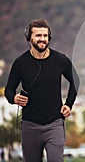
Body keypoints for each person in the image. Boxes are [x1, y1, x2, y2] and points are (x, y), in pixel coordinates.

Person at [4, 18, 79, 162]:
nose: (42, 39)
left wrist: (69, 104)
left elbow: (75, 81)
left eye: (45, 36)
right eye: (38, 36)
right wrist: (13, 98)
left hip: (55, 123)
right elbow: (9, 90)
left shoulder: (61, 60)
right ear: (29, 38)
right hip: (29, 125)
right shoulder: (20, 63)